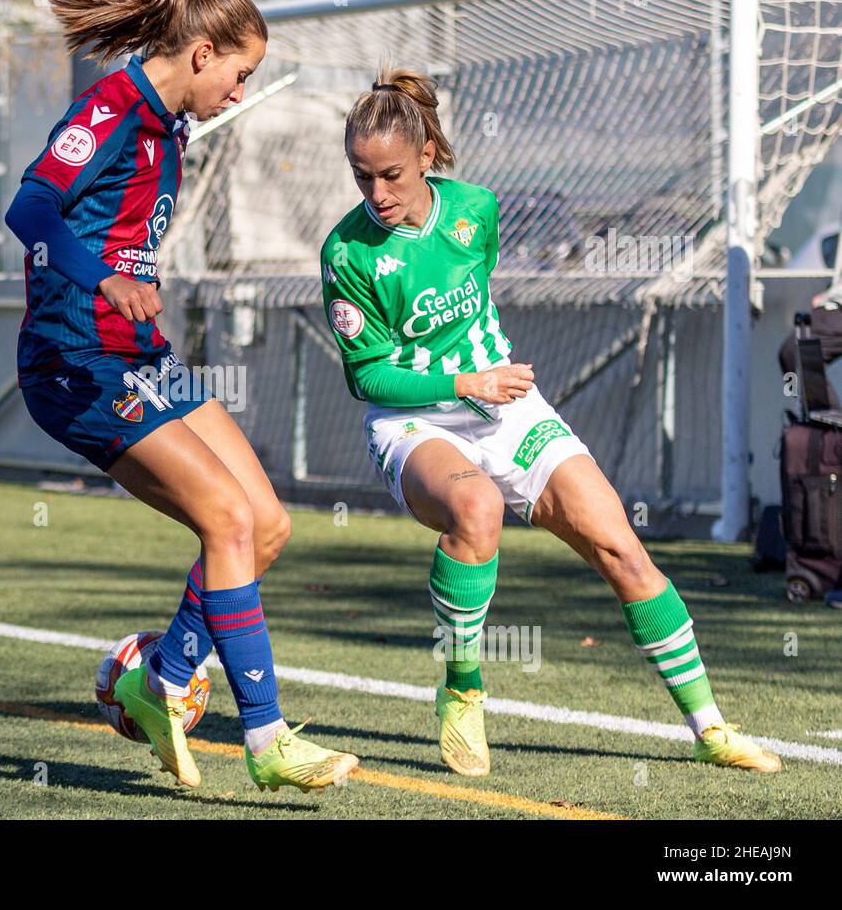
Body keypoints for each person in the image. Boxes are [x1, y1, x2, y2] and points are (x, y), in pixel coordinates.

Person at [320, 66, 783, 776]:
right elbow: (366, 375)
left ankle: (710, 727)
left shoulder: (476, 209)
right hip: (411, 419)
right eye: (362, 177)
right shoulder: (347, 252)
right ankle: (463, 688)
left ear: (426, 157)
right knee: (474, 506)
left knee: (621, 548)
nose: (377, 194)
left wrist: (483, 381)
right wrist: (461, 379)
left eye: (390, 175)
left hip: (503, 405)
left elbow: (474, 301)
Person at [4, 0, 358, 792]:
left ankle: (158, 679)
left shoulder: (170, 122)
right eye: (239, 74)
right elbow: (29, 211)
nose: (241, 92)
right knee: (228, 519)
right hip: (75, 359)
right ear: (202, 53)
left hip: (137, 353)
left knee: (265, 525)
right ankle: (267, 740)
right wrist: (103, 279)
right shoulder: (109, 109)